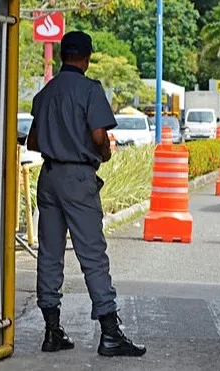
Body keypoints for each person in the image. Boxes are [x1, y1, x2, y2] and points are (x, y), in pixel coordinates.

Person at [27, 31, 146, 358]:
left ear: (63, 55)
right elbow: (98, 137)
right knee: (92, 255)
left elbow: (33, 142)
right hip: (78, 178)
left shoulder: (47, 91)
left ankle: (52, 331)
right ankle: (109, 333)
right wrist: (104, 151)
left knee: (49, 254)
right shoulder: (90, 90)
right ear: (87, 58)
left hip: (48, 176)